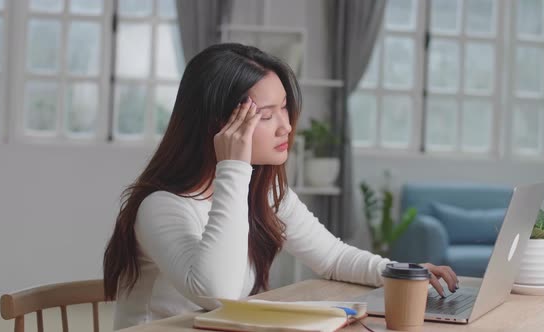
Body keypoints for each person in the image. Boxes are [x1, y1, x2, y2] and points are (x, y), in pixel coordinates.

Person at [103, 43, 458, 329]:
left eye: (285, 109)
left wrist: (400, 272)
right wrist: (234, 165)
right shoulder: (162, 206)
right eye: (267, 115)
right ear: (219, 125)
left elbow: (332, 257)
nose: (286, 127)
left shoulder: (267, 194)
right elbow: (216, 292)